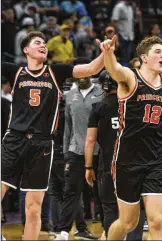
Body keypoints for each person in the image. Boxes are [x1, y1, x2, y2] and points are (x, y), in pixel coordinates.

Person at [1, 31, 104, 240]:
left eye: (45, 44)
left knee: (34, 207)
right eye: (37, 42)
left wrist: (106, 53)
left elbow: (91, 68)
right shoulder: (15, 71)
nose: (43, 46)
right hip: (14, 139)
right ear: (25, 50)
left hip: (42, 143)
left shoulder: (56, 71)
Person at [100, 35, 162, 240]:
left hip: (156, 160)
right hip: (127, 159)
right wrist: (108, 52)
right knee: (128, 222)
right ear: (144, 57)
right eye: (157, 52)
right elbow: (114, 69)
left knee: (156, 220)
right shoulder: (130, 78)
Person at [85, 70, 145, 240]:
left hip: (108, 166)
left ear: (103, 86)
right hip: (134, 165)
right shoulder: (135, 106)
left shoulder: (98, 108)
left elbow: (90, 141)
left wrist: (88, 167)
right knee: (135, 209)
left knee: (111, 209)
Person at [54, 61, 103, 240]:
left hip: (98, 152)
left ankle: (107, 229)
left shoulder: (101, 93)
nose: (82, 77)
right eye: (79, 75)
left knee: (101, 193)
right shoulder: (70, 95)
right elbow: (67, 126)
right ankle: (63, 231)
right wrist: (66, 152)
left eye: (85, 74)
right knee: (71, 193)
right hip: (76, 151)